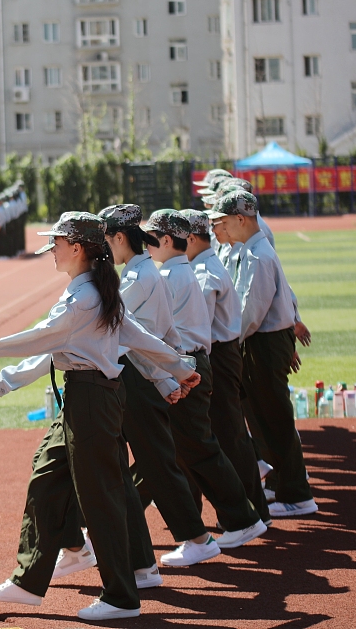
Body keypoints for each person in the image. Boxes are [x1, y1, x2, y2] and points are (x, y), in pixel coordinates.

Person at [0, 212, 196, 622]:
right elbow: (137, 337)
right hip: (85, 398)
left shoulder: (86, 298)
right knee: (46, 477)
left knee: (101, 499)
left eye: (56, 244)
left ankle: (121, 596)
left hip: (92, 401)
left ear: (77, 248)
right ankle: (28, 581)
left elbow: (40, 338)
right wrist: (180, 368)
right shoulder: (97, 291)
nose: (52, 251)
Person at [101, 203, 219, 569]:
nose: (106, 249)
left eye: (107, 241)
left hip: (138, 379)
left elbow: (140, 339)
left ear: (120, 238)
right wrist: (169, 376)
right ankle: (99, 539)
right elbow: (161, 336)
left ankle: (196, 538)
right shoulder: (147, 273)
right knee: (149, 463)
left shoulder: (140, 280)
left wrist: (168, 377)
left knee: (157, 464)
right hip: (143, 376)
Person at [141, 209, 266, 548]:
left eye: (150, 240)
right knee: (183, 448)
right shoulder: (182, 272)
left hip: (183, 365)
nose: (146, 248)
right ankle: (235, 517)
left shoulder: (170, 277)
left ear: (167, 241)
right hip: (190, 362)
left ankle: (243, 517)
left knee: (199, 449)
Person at [208, 190, 317, 518]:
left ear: (240, 219)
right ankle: (285, 485)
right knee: (263, 417)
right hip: (262, 341)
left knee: (275, 419)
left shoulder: (257, 256)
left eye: (225, 222)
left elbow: (251, 311)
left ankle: (297, 492)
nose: (222, 229)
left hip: (264, 341)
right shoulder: (251, 251)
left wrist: (228, 343)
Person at [182, 208, 269, 525]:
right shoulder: (202, 266)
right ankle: (248, 508)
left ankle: (253, 510)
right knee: (224, 434)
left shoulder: (204, 272)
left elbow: (197, 324)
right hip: (219, 353)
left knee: (228, 435)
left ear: (190, 238)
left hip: (216, 355)